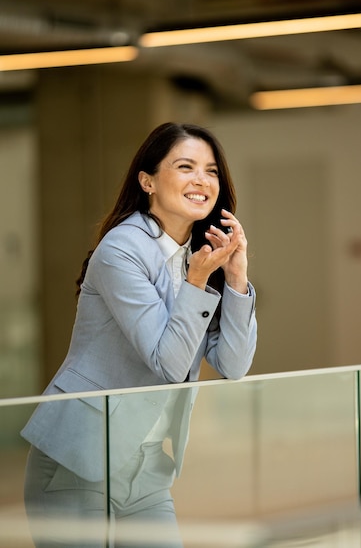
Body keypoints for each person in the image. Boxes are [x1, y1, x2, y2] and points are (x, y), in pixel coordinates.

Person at [21, 121, 257, 547]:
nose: (201, 180)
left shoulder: (200, 255)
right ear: (147, 180)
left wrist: (236, 277)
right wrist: (197, 282)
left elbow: (234, 364)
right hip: (78, 455)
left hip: (145, 466)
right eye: (185, 166)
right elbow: (168, 362)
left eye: (211, 170)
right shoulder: (121, 250)